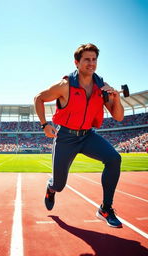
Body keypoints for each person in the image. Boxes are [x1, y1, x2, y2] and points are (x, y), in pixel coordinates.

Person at [34, 43, 124, 228]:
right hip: (66, 137)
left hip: (88, 136)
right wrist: (44, 125)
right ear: (77, 62)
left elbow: (118, 116)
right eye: (86, 60)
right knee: (59, 185)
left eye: (94, 59)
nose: (91, 63)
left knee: (114, 158)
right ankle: (51, 188)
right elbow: (38, 98)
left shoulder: (101, 87)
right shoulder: (65, 85)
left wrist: (116, 98)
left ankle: (105, 209)